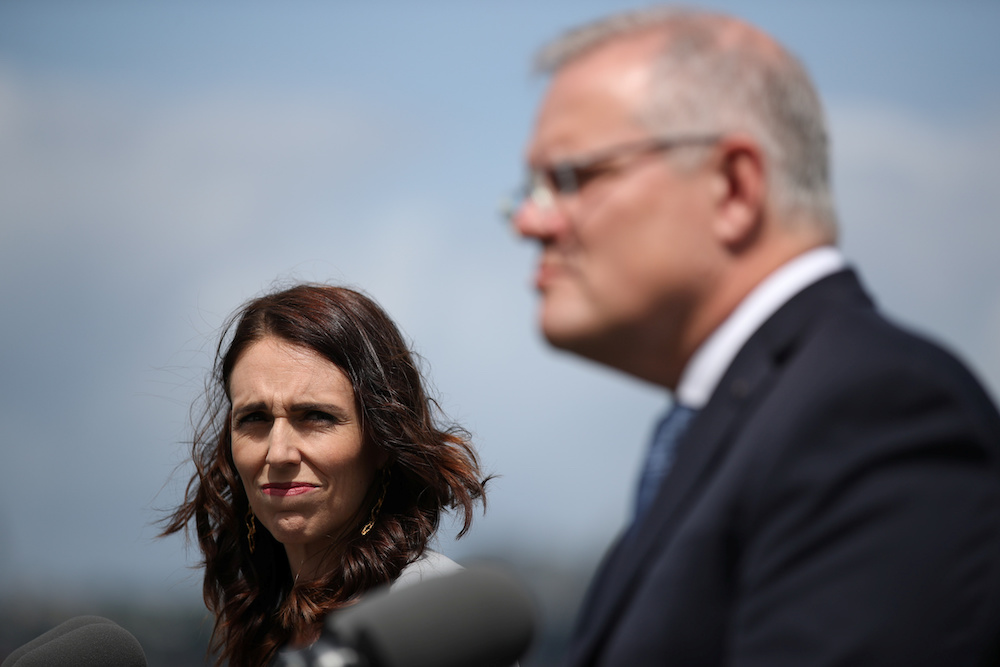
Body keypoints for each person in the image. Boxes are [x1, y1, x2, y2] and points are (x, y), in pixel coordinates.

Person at [508, 6, 1000, 666]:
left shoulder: (875, 410)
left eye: (570, 177)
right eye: (531, 188)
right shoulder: (757, 416)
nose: (530, 222)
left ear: (735, 186)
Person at [161, 284, 488, 667]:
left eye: (316, 416)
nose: (278, 452)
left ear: (383, 440)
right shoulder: (268, 624)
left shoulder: (433, 615)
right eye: (254, 418)